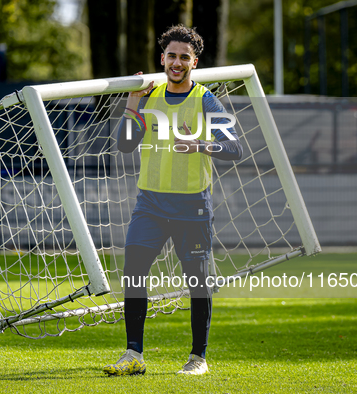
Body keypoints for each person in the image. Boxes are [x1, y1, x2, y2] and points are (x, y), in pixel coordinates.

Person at [103, 25, 243, 376]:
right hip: (149, 204)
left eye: (184, 57)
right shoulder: (150, 96)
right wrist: (133, 102)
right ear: (161, 58)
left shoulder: (206, 100)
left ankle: (198, 358)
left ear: (194, 62)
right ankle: (134, 354)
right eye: (171, 56)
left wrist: (200, 145)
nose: (177, 62)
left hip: (192, 207)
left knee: (197, 281)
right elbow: (125, 144)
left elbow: (235, 148)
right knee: (133, 274)